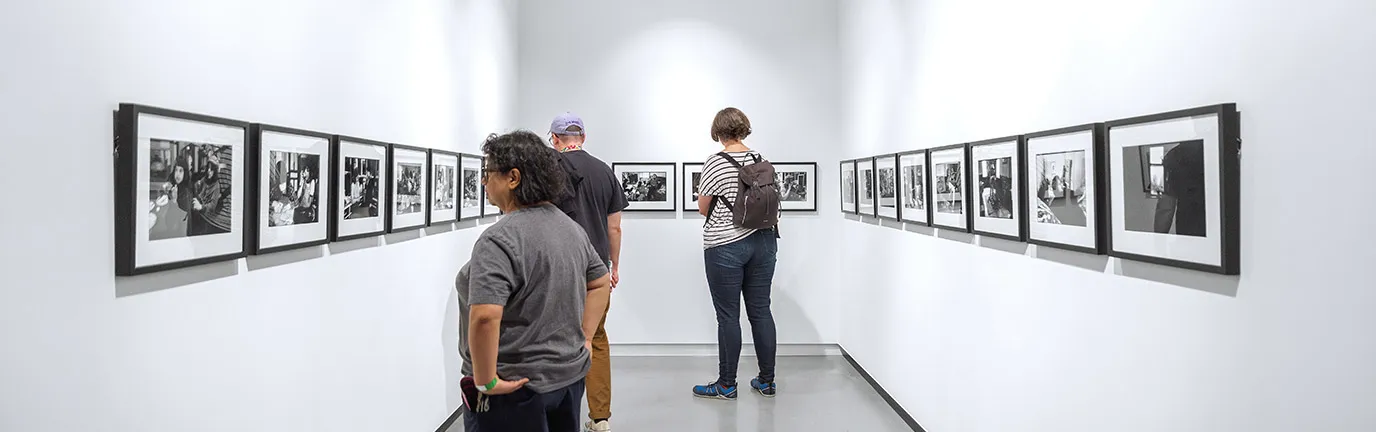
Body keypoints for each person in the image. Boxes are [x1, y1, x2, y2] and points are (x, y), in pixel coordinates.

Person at [457, 130, 613, 432]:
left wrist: (486, 379)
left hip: (514, 387)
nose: (483, 181)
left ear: (513, 178)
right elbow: (600, 281)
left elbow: (486, 315)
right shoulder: (569, 228)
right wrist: (585, 338)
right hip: (566, 380)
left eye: (488, 173)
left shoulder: (499, 238)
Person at [546, 113, 628, 432]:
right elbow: (615, 227)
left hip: (557, 269)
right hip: (596, 271)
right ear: (583, 136)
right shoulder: (603, 171)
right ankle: (600, 416)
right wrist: (614, 266)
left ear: (554, 139)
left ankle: (557, 415)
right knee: (595, 337)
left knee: (554, 338)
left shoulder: (548, 171)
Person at [692, 107, 779, 400]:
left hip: (725, 245)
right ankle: (767, 381)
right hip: (764, 242)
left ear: (718, 132)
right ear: (744, 129)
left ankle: (727, 384)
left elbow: (703, 207)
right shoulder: (761, 160)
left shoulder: (715, 163)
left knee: (728, 317)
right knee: (761, 311)